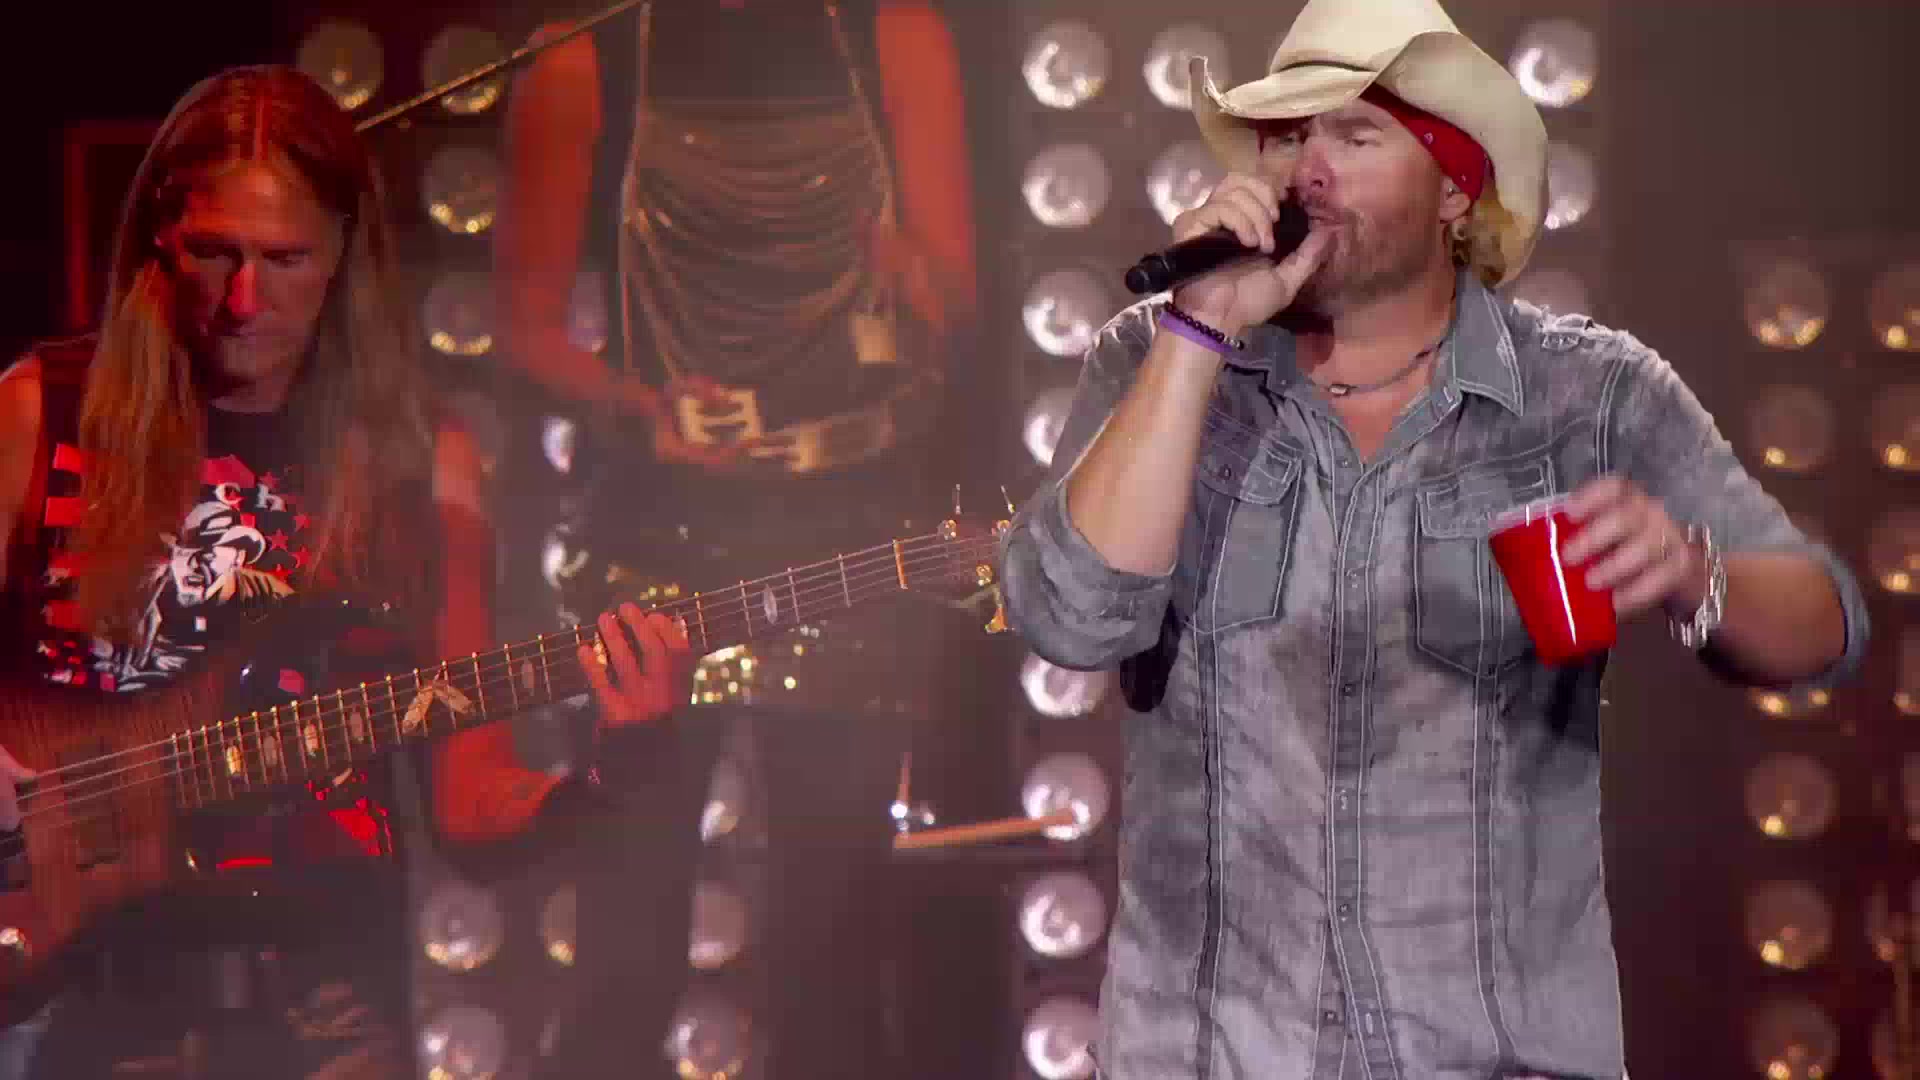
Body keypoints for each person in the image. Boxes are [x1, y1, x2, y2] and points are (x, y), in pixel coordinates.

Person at [998, 0, 1869, 1077]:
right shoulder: (1156, 362)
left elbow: (1823, 625)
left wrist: (1696, 572)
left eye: (1355, 136)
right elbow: (1070, 619)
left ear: (1456, 190)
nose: (1309, 171)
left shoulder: (1586, 393)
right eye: (1287, 137)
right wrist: (1199, 327)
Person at [0, 65, 691, 1078]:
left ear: (343, 258)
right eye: (214, 253)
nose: (244, 301)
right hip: (79, 995)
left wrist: (612, 768)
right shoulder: (40, 413)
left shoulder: (416, 461)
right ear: (157, 239)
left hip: (327, 1007)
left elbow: (472, 804)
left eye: (285, 259)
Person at [485, 2, 978, 1077]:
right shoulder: (585, 56)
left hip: (846, 551)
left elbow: (956, 300)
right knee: (624, 954)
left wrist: (911, 281)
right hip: (652, 550)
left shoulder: (896, 35)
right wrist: (638, 409)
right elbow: (520, 330)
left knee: (833, 963)